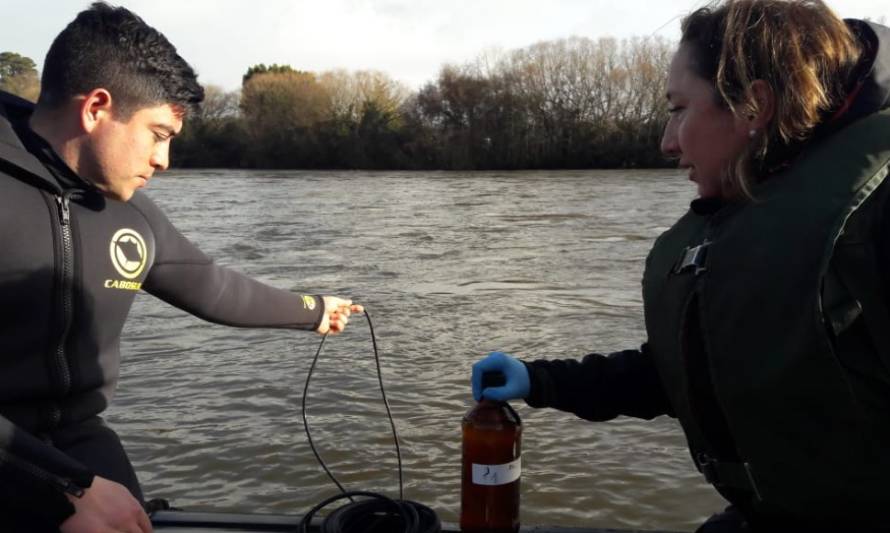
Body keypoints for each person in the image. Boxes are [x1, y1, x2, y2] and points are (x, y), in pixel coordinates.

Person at [472, 1, 890, 531]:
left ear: (753, 107)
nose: (667, 143)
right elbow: (690, 372)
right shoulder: (753, 211)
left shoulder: (877, 216)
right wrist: (538, 380)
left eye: (678, 109)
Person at [0, 3, 363, 532]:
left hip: (78, 439)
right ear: (96, 108)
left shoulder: (129, 209)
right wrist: (57, 487)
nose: (164, 161)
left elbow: (211, 286)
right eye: (159, 134)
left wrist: (314, 311)